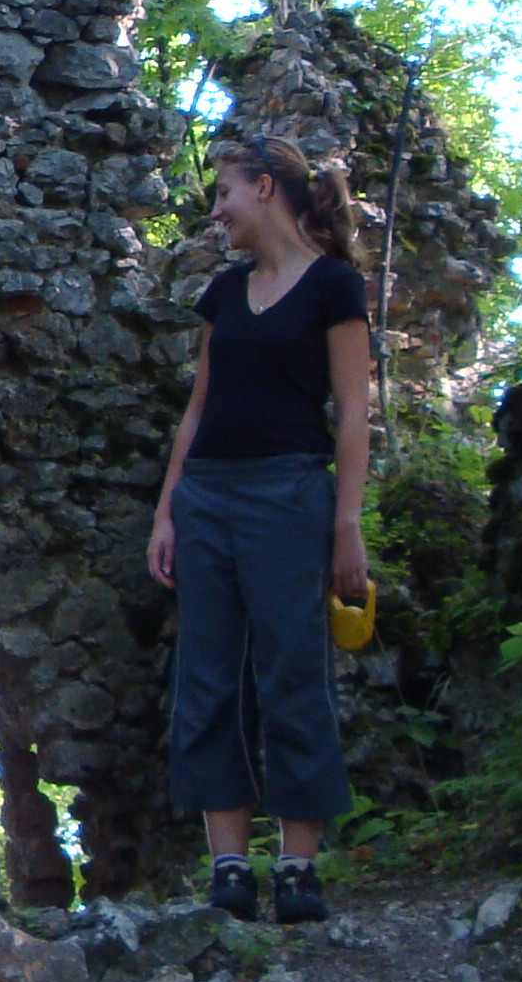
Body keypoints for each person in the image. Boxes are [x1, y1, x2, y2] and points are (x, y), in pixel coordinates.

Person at [145, 134, 373, 925]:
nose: (217, 211)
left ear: (266, 188)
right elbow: (197, 410)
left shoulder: (335, 286)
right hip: (208, 497)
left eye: (225, 193)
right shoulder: (224, 293)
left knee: (292, 671)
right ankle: (231, 867)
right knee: (208, 678)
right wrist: (167, 511)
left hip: (290, 493)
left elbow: (353, 414)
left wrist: (347, 523)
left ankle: (298, 868)